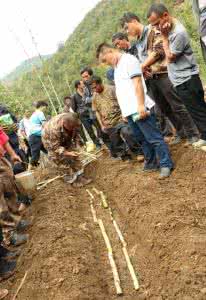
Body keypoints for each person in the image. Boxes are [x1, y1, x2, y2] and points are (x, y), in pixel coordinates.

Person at [120, 12, 199, 145]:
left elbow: (159, 51)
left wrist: (142, 67)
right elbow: (142, 59)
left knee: (177, 105)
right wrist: (143, 68)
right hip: (150, 79)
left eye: (127, 27)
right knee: (164, 108)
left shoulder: (153, 30)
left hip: (163, 75)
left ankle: (194, 132)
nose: (127, 31)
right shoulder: (138, 42)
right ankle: (181, 132)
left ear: (134, 21)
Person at [96, 43, 173, 179]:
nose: (106, 63)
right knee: (141, 138)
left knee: (153, 137)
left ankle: (166, 164)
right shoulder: (117, 67)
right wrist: (125, 113)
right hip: (129, 111)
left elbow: (137, 83)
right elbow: (123, 91)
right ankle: (151, 163)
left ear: (110, 51)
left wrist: (141, 105)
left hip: (139, 107)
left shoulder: (129, 60)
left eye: (105, 60)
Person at [147, 3, 206, 148]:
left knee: (198, 110)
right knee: (195, 110)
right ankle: (204, 135)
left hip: (187, 79)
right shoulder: (169, 30)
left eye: (156, 23)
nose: (155, 28)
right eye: (153, 26)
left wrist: (165, 38)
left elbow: (170, 57)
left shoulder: (177, 32)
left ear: (165, 15)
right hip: (181, 80)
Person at [91, 75, 143, 160]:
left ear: (100, 83)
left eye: (95, 87)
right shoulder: (94, 97)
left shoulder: (112, 89)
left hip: (120, 118)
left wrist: (124, 114)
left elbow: (122, 101)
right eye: (92, 88)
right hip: (108, 123)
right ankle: (125, 156)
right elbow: (96, 111)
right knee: (116, 141)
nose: (94, 89)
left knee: (127, 133)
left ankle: (138, 152)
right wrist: (101, 124)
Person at [42, 112, 92, 187]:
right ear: (64, 123)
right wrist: (68, 153)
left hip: (65, 137)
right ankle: (73, 181)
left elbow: (76, 134)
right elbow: (56, 148)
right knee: (61, 161)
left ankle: (80, 176)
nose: (73, 128)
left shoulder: (74, 120)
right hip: (51, 142)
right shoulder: (53, 129)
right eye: (71, 127)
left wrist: (77, 145)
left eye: (74, 127)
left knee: (75, 155)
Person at [0, 128, 29, 246]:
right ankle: (9, 234)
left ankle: (16, 221)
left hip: (1, 160)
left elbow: (1, 134)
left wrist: (12, 154)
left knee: (9, 189)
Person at [80, 68, 102, 148]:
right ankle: (113, 152)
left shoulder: (97, 83)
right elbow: (84, 100)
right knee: (100, 131)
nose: (85, 78)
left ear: (91, 75)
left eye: (86, 76)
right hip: (92, 113)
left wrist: (89, 99)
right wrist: (90, 99)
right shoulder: (85, 88)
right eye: (83, 77)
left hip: (102, 111)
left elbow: (97, 96)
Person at [29, 101, 48, 166]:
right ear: (42, 106)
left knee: (48, 150)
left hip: (36, 136)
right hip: (35, 136)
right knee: (35, 155)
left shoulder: (34, 114)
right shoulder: (40, 113)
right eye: (45, 107)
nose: (45, 109)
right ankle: (30, 169)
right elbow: (44, 124)